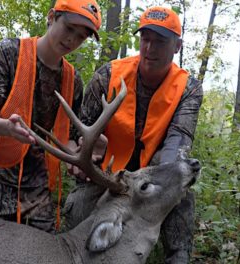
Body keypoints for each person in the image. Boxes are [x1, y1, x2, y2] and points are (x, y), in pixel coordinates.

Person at [64, 6, 203, 263]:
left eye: (160, 41)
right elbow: (82, 129)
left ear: (177, 46)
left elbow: (179, 139)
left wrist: (164, 177)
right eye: (145, 39)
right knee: (80, 213)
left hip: (154, 174)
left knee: (181, 188)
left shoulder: (188, 89)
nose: (149, 49)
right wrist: (90, 149)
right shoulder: (108, 75)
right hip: (109, 176)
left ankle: (177, 256)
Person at [0, 0, 102, 234]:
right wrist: (6, 127)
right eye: (69, 29)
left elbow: (66, 138)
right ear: (51, 17)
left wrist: (79, 156)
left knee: (43, 250)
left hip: (36, 183)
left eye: (81, 37)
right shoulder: (9, 52)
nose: (72, 40)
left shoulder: (73, 80)